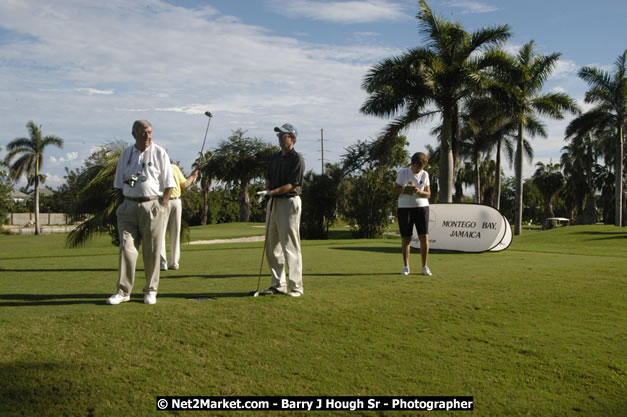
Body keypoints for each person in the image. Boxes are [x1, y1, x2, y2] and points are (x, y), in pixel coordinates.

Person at [107, 120, 176, 305]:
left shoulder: (159, 152)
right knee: (126, 248)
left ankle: (150, 290)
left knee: (152, 250)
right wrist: (120, 206)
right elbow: (119, 184)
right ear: (134, 134)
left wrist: (162, 205)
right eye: (143, 133)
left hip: (152, 205)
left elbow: (169, 184)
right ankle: (123, 292)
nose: (147, 136)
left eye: (150, 132)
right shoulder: (126, 154)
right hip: (128, 207)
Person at [257, 123, 305, 297]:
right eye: (278, 135)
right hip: (274, 202)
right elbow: (268, 178)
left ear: (292, 138)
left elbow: (292, 184)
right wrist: (268, 192)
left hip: (289, 202)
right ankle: (278, 284)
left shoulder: (297, 159)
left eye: (283, 135)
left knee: (290, 245)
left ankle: (296, 286)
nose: (279, 137)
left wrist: (271, 192)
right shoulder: (275, 158)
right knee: (272, 245)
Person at [393, 152, 432, 276]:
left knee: (424, 237)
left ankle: (425, 267)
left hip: (422, 208)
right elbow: (394, 190)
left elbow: (428, 194)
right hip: (405, 208)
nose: (419, 170)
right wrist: (405, 189)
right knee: (406, 238)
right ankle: (406, 267)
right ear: (412, 164)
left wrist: (419, 191)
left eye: (421, 167)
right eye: (417, 167)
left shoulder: (425, 174)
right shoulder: (403, 172)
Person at [160, 163, 199, 271]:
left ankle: (168, 263)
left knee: (165, 233)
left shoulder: (171, 167)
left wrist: (193, 176)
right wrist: (193, 176)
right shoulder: (171, 167)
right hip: (168, 201)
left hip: (171, 202)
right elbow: (185, 184)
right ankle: (170, 263)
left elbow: (184, 184)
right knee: (169, 233)